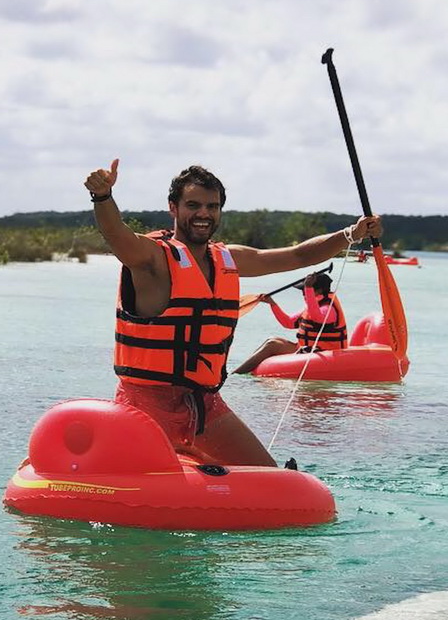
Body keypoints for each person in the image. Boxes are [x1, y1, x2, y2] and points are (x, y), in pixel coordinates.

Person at [86, 159, 382, 466]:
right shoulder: (152, 258)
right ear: (173, 208)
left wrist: (350, 233)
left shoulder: (229, 259)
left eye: (212, 207)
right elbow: (117, 235)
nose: (204, 214)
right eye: (193, 205)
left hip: (205, 406)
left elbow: (299, 255)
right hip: (146, 407)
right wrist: (103, 197)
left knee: (274, 484)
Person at [232, 269, 347, 375]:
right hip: (307, 349)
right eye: (303, 290)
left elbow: (318, 318)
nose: (303, 294)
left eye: (305, 290)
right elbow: (288, 322)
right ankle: (242, 370)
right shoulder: (312, 307)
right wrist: (273, 304)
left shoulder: (329, 309)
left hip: (325, 353)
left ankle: (236, 374)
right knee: (272, 340)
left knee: (272, 345)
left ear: (319, 290)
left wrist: (308, 289)